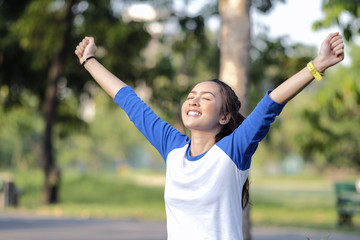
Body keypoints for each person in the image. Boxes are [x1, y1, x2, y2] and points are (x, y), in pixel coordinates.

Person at [75, 32, 344, 240]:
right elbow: (129, 101)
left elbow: (270, 104)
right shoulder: (172, 147)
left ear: (224, 117)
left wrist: (317, 65)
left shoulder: (233, 151)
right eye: (191, 97)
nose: (194, 101)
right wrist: (89, 61)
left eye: (205, 98)